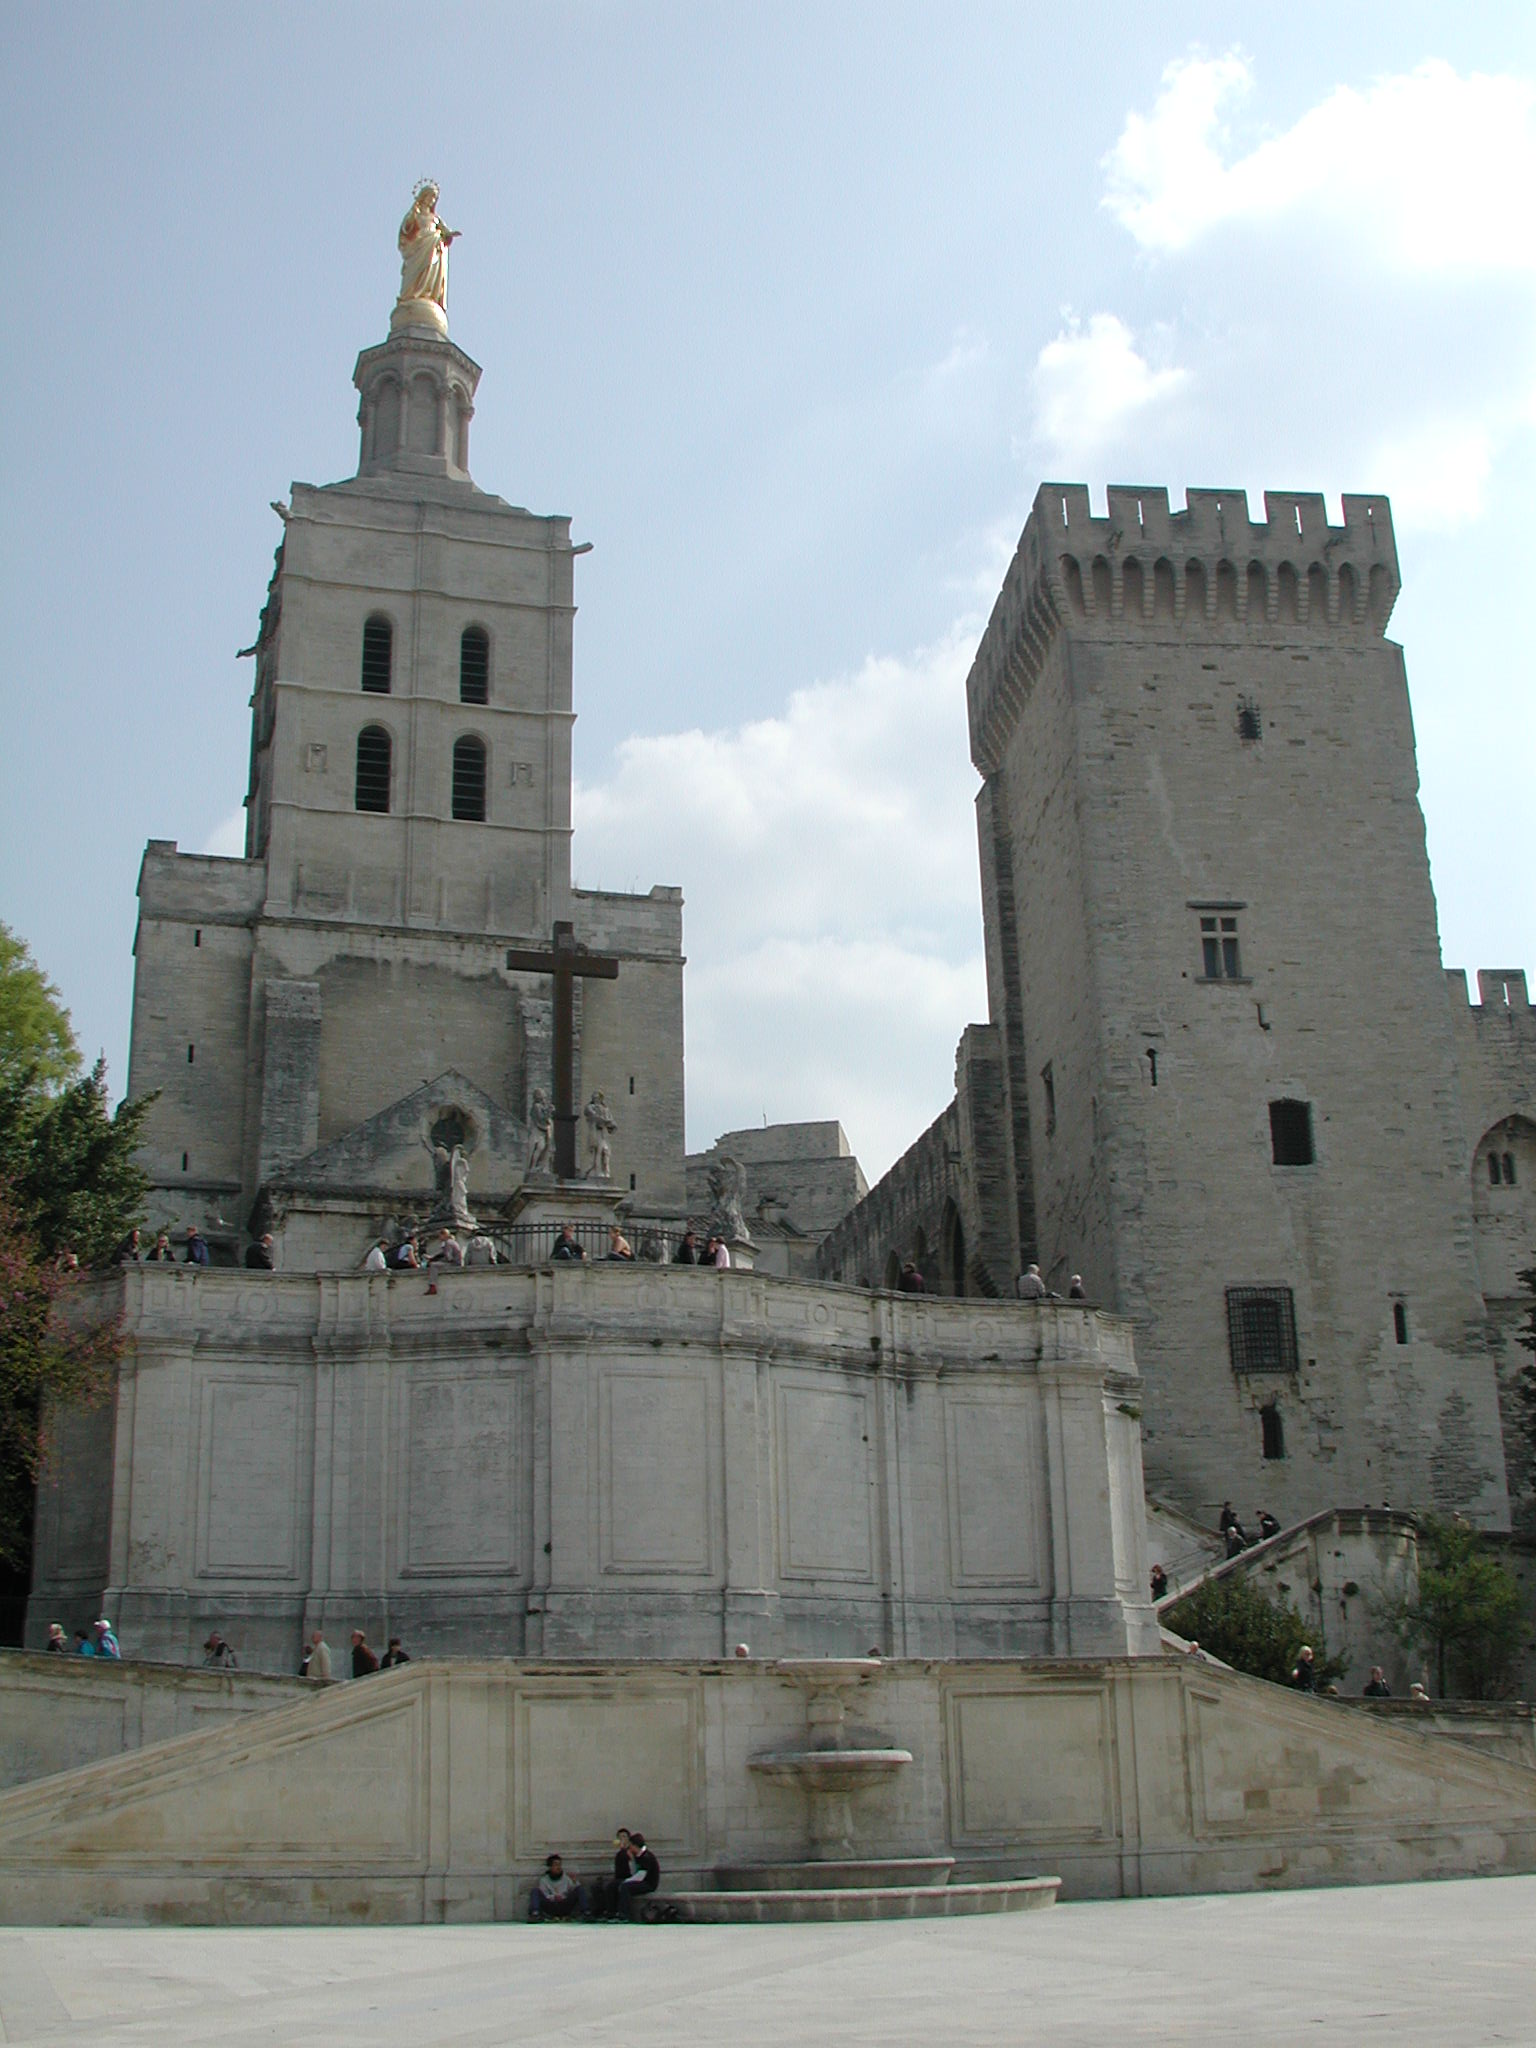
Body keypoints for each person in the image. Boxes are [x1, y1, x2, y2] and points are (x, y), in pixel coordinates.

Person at [528, 1852, 586, 1922]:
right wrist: (554, 1897)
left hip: (564, 1905)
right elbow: (544, 1894)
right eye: (556, 1865)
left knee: (580, 1889)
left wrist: (574, 1881)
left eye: (559, 1865)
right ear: (550, 1867)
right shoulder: (544, 1880)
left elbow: (575, 1890)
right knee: (535, 1891)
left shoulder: (566, 1878)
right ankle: (535, 1915)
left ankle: (586, 1913)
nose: (558, 1867)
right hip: (551, 1905)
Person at [616, 1828, 660, 1919]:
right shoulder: (637, 1856)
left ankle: (624, 1914)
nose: (629, 1848)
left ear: (635, 1846)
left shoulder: (646, 1857)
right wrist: (632, 1860)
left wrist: (626, 1881)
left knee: (625, 1887)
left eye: (631, 1845)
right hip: (640, 1880)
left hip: (648, 1883)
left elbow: (640, 1876)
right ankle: (612, 1911)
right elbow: (633, 1872)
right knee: (614, 1885)